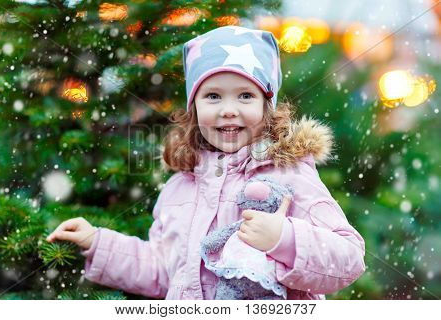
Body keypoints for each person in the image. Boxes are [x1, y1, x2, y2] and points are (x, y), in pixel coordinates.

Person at [46, 25, 366, 300]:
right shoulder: (181, 186)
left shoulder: (289, 175)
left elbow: (349, 257)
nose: (228, 109)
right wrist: (97, 242)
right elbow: (162, 269)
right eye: (213, 96)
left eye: (245, 96)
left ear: (268, 108)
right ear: (194, 108)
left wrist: (284, 239)